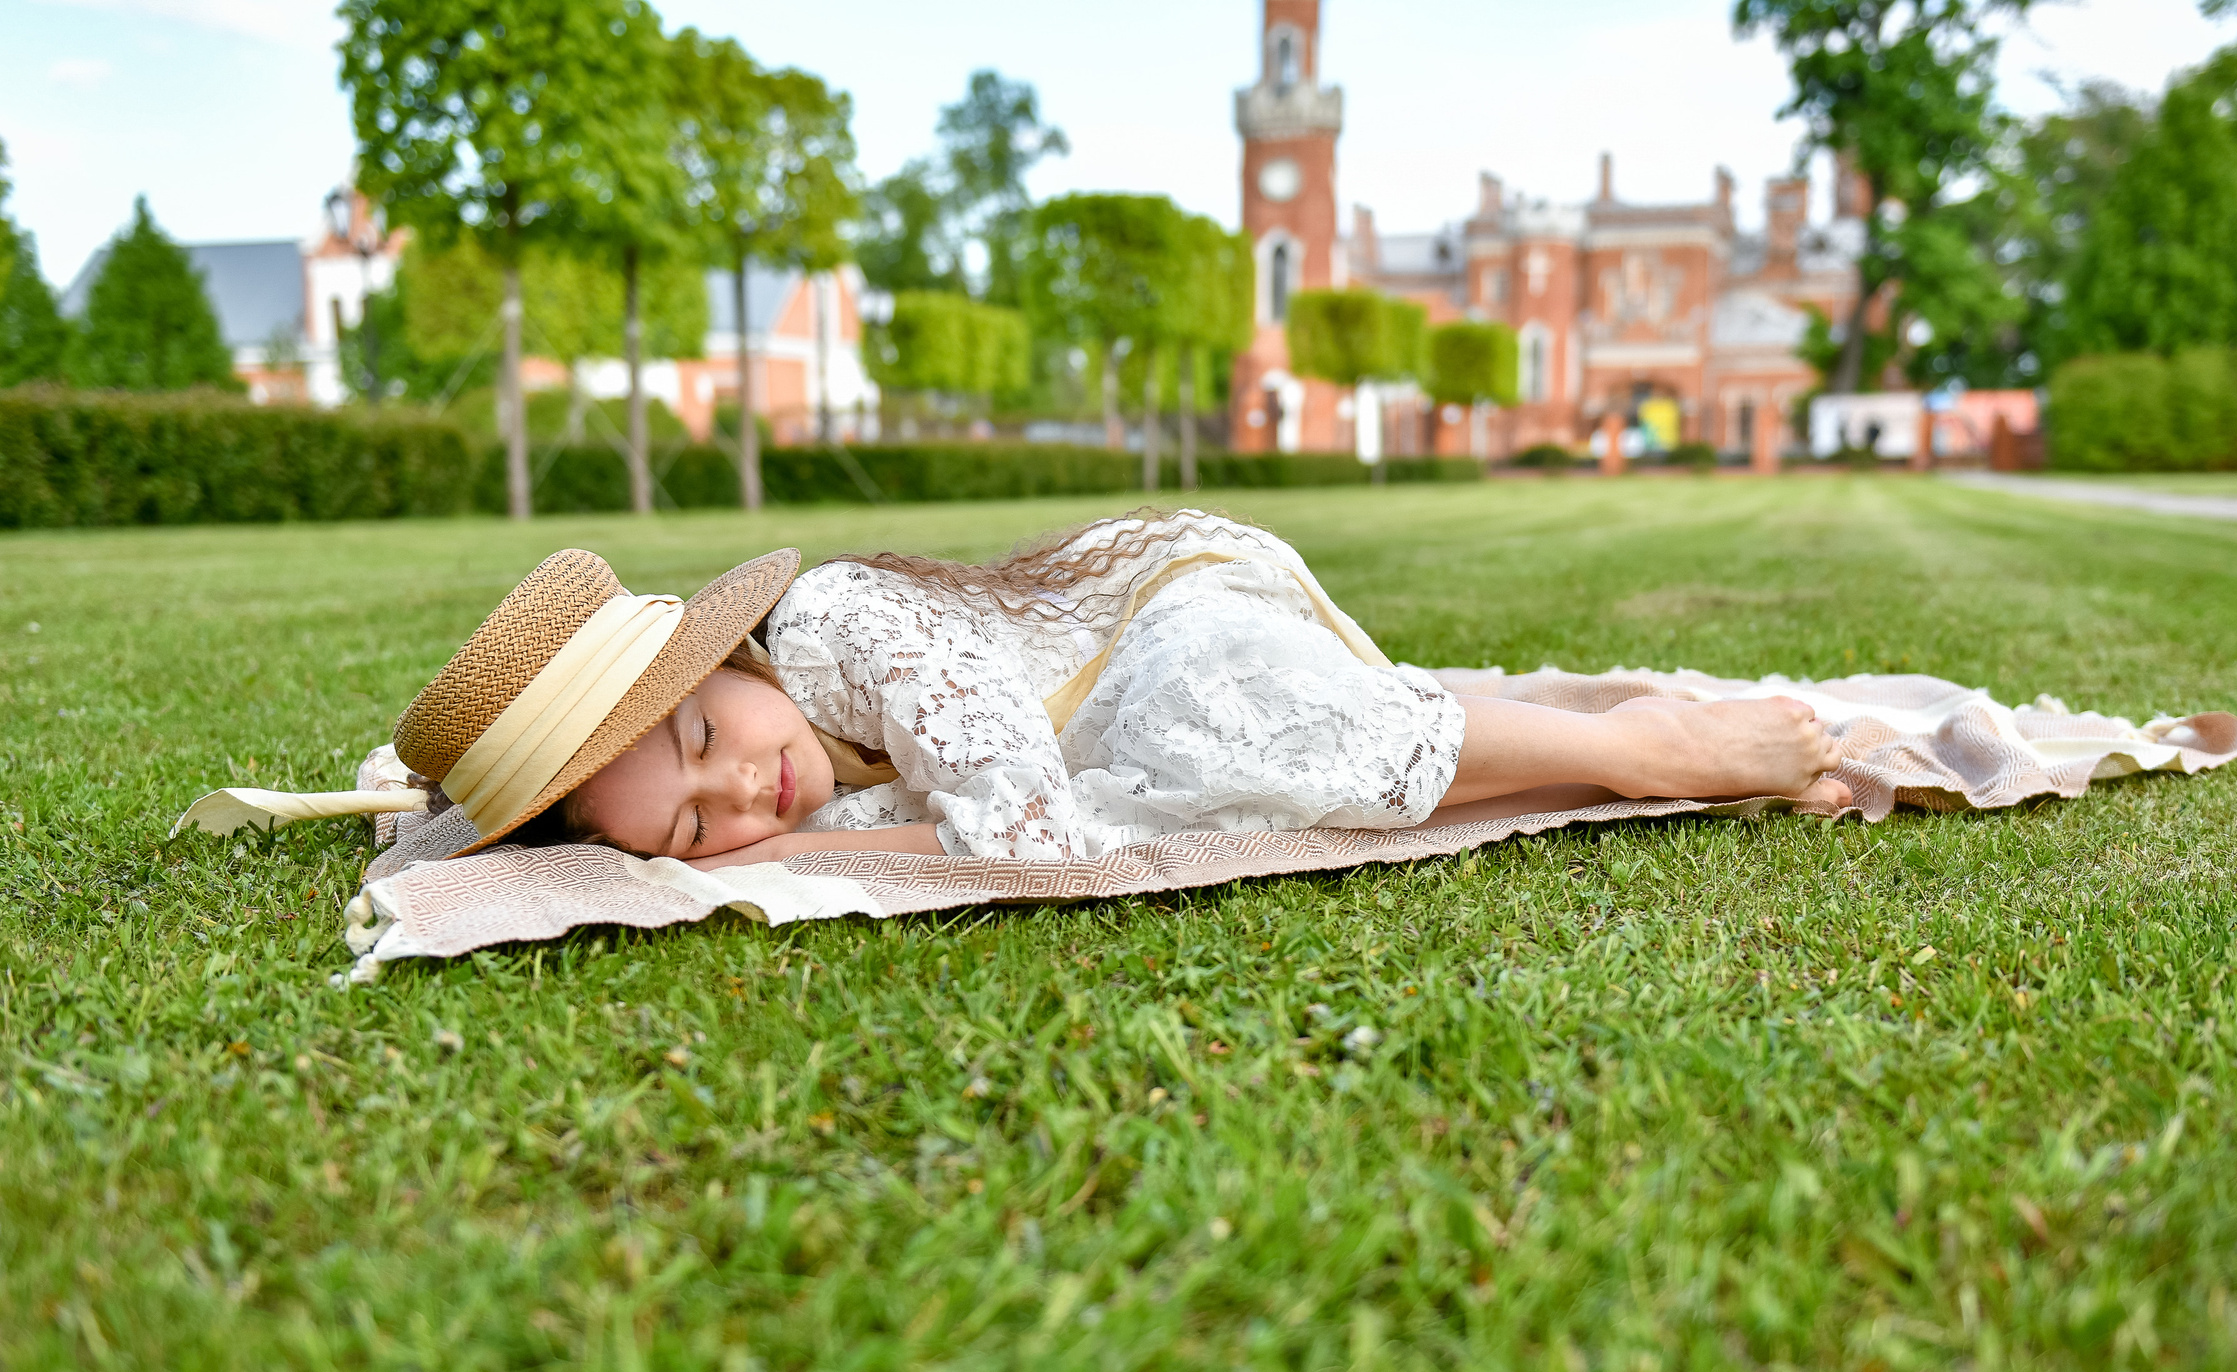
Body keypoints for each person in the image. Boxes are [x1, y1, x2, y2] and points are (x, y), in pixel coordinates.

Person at [173, 510, 1847, 865]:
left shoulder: (831, 627)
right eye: (685, 830)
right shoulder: (775, 776)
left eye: (705, 737)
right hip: (1110, 711)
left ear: (732, 659)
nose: (744, 792)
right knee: (1220, 782)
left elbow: (1019, 801)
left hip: (1157, 615)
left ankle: (1650, 745)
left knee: (1224, 732)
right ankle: (1641, 759)